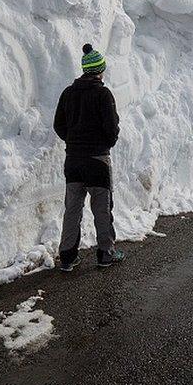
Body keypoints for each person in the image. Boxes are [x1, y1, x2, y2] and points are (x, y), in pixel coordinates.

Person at [53, 43, 125, 271]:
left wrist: (73, 142)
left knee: (72, 209)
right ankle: (106, 254)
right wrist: (103, 145)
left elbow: (59, 125)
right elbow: (112, 128)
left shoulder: (68, 93)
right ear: (100, 70)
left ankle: (67, 257)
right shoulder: (103, 94)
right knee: (102, 209)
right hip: (97, 161)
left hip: (73, 160)